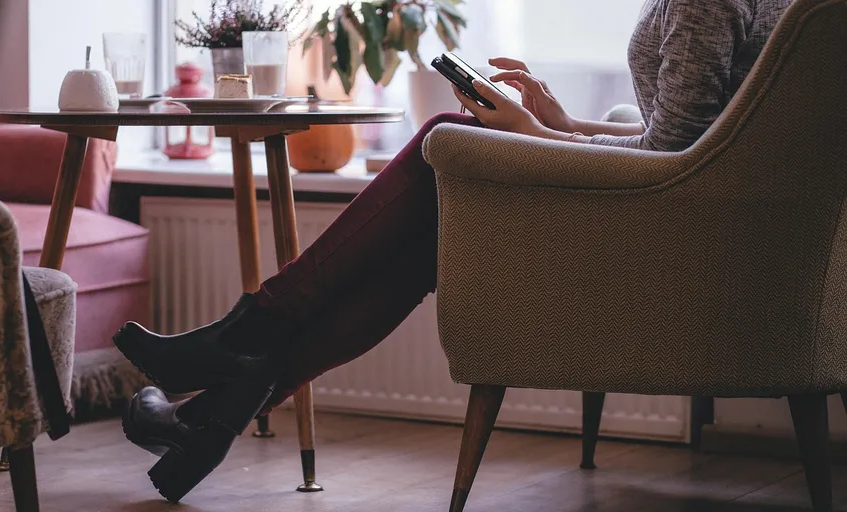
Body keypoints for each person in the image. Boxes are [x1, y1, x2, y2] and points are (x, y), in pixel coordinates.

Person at [115, 0, 793, 502]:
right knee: (422, 238)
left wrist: (531, 132)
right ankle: (217, 405)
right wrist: (562, 124)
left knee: (444, 135)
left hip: (661, 245)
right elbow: (687, 140)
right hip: (685, 225)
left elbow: (670, 160)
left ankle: (234, 359)